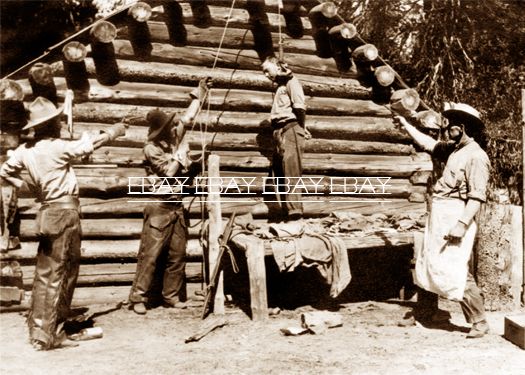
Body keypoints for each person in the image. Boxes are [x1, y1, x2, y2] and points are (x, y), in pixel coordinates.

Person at [0, 97, 95, 350]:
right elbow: (86, 146)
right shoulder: (56, 147)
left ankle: (41, 327)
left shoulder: (25, 150)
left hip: (48, 212)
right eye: (57, 120)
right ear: (51, 124)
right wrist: (111, 132)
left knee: (47, 272)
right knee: (60, 274)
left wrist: (30, 188)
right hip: (63, 214)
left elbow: (4, 172)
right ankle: (48, 335)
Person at [395, 102, 490, 338]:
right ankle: (427, 312)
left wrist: (461, 225)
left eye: (451, 127)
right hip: (440, 214)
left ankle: (479, 321)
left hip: (456, 216)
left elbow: (477, 197)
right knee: (429, 261)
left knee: (455, 267)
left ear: (463, 127)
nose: (447, 131)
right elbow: (429, 145)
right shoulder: (454, 150)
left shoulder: (476, 156)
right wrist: (406, 125)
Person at [128, 78, 210, 315]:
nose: (176, 127)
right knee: (150, 256)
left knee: (177, 254)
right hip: (159, 207)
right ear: (162, 129)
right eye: (171, 126)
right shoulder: (151, 148)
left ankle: (171, 296)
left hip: (176, 206)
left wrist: (201, 91)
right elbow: (168, 172)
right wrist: (182, 157)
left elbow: (188, 117)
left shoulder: (174, 136)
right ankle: (138, 298)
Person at [261, 56, 309, 221]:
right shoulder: (281, 85)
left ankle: (295, 213)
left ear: (277, 66)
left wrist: (300, 130)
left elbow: (300, 107)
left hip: (290, 129)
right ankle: (285, 212)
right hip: (279, 132)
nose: (266, 75)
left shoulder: (292, 82)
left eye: (267, 70)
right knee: (279, 173)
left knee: (291, 170)